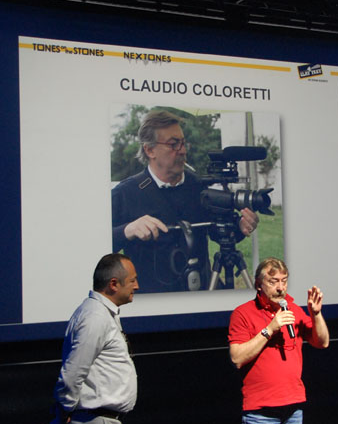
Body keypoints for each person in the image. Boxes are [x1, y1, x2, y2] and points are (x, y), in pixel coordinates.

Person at [111, 110, 259, 293]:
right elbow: (98, 243)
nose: (182, 150)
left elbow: (217, 232)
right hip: (152, 303)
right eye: (173, 144)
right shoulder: (126, 193)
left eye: (182, 143)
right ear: (149, 150)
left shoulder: (197, 186)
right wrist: (128, 230)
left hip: (203, 292)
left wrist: (241, 227)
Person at [228, 257, 330, 424]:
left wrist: (316, 314)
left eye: (284, 281)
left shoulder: (293, 309)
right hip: (260, 412)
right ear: (258, 284)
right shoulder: (243, 313)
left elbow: (322, 342)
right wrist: (270, 329)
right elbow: (237, 357)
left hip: (292, 407)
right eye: (273, 281)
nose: (280, 287)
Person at [54, 253, 139, 424]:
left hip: (100, 423)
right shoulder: (95, 318)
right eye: (132, 280)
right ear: (113, 284)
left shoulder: (101, 314)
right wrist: (64, 411)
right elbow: (73, 371)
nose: (136, 286)